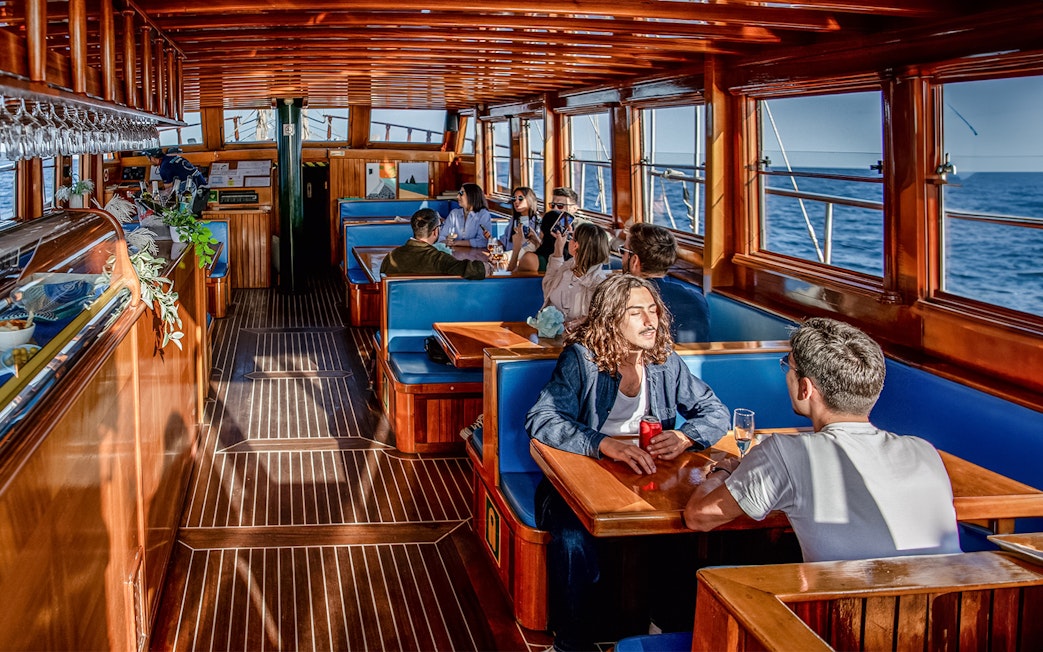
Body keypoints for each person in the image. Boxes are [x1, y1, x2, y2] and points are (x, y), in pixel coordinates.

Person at [526, 274, 730, 651]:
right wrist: (603, 444)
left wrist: (686, 436)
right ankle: (571, 643)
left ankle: (664, 631)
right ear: (611, 319)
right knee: (572, 540)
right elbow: (542, 419)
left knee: (685, 531)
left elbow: (715, 411)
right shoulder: (582, 359)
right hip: (578, 482)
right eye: (636, 313)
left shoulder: (664, 360)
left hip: (650, 479)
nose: (650, 321)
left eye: (653, 311)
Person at [684, 317, 961, 563]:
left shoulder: (785, 453)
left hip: (842, 618)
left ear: (806, 389)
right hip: (946, 614)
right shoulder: (924, 451)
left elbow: (699, 517)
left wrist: (723, 471)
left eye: (787, 367)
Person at [622, 223, 710, 342]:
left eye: (623, 251)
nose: (622, 257)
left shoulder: (623, 300)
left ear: (634, 261)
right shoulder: (698, 299)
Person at [380, 208, 489, 280]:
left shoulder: (391, 257)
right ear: (436, 231)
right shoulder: (440, 259)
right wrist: (489, 266)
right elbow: (474, 270)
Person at [541, 221, 611, 328]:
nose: (568, 240)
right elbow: (548, 287)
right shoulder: (567, 267)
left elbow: (601, 319)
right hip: (549, 332)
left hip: (577, 340)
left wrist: (576, 324)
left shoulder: (599, 284)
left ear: (576, 246)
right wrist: (558, 250)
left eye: (571, 238)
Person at [516, 187, 580, 273]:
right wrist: (538, 242)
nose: (555, 209)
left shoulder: (581, 237)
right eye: (552, 205)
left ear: (574, 209)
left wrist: (516, 248)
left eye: (560, 206)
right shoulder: (574, 255)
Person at [439, 182, 492, 248]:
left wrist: (456, 243)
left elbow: (483, 241)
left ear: (471, 195)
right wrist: (446, 242)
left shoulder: (483, 214)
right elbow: (441, 237)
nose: (457, 196)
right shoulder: (454, 214)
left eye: (461, 193)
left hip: (476, 255)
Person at [504, 186, 542, 271]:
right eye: (514, 199)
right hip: (508, 261)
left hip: (526, 263)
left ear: (530, 200)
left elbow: (534, 248)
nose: (516, 202)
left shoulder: (538, 222)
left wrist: (506, 256)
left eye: (520, 198)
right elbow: (504, 241)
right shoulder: (513, 220)